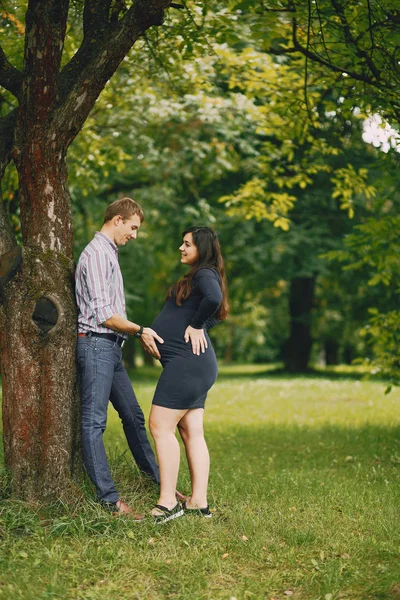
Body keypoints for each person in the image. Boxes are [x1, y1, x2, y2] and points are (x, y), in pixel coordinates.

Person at [75, 197, 164, 521]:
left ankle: (159, 483)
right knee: (94, 422)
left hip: (111, 349)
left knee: (133, 415)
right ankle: (109, 500)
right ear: (117, 220)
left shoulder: (109, 253)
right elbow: (103, 315)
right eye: (134, 227)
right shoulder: (97, 254)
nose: (135, 235)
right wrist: (141, 330)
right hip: (96, 345)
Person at [149, 226, 229, 524]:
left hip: (188, 364)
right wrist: (198, 326)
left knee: (160, 425)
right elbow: (217, 309)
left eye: (186, 244)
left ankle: (168, 501)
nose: (181, 249)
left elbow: (214, 299)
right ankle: (198, 503)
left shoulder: (204, 274)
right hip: (195, 363)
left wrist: (196, 326)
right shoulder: (202, 274)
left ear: (202, 248)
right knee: (190, 430)